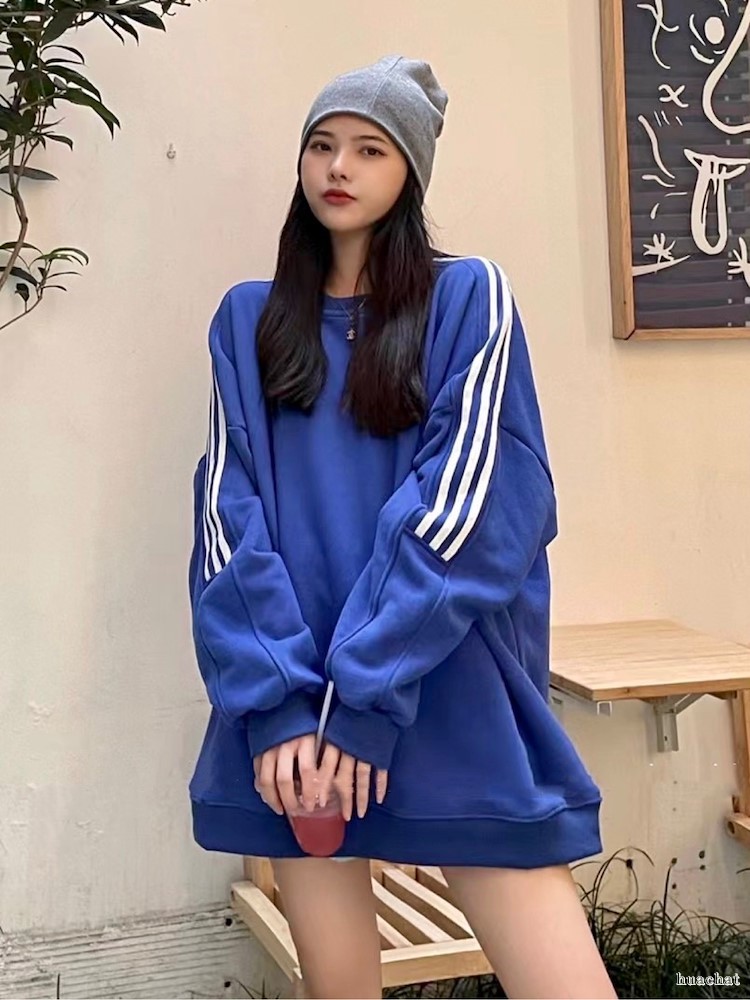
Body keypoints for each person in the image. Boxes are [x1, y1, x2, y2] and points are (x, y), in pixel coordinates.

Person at [187, 54, 617, 1000]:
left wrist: (366, 695)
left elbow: (474, 506)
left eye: (370, 149)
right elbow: (226, 518)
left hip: (444, 689)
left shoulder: (469, 299)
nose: (339, 166)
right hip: (297, 712)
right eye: (322, 144)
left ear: (410, 172)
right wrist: (282, 705)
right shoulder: (249, 321)